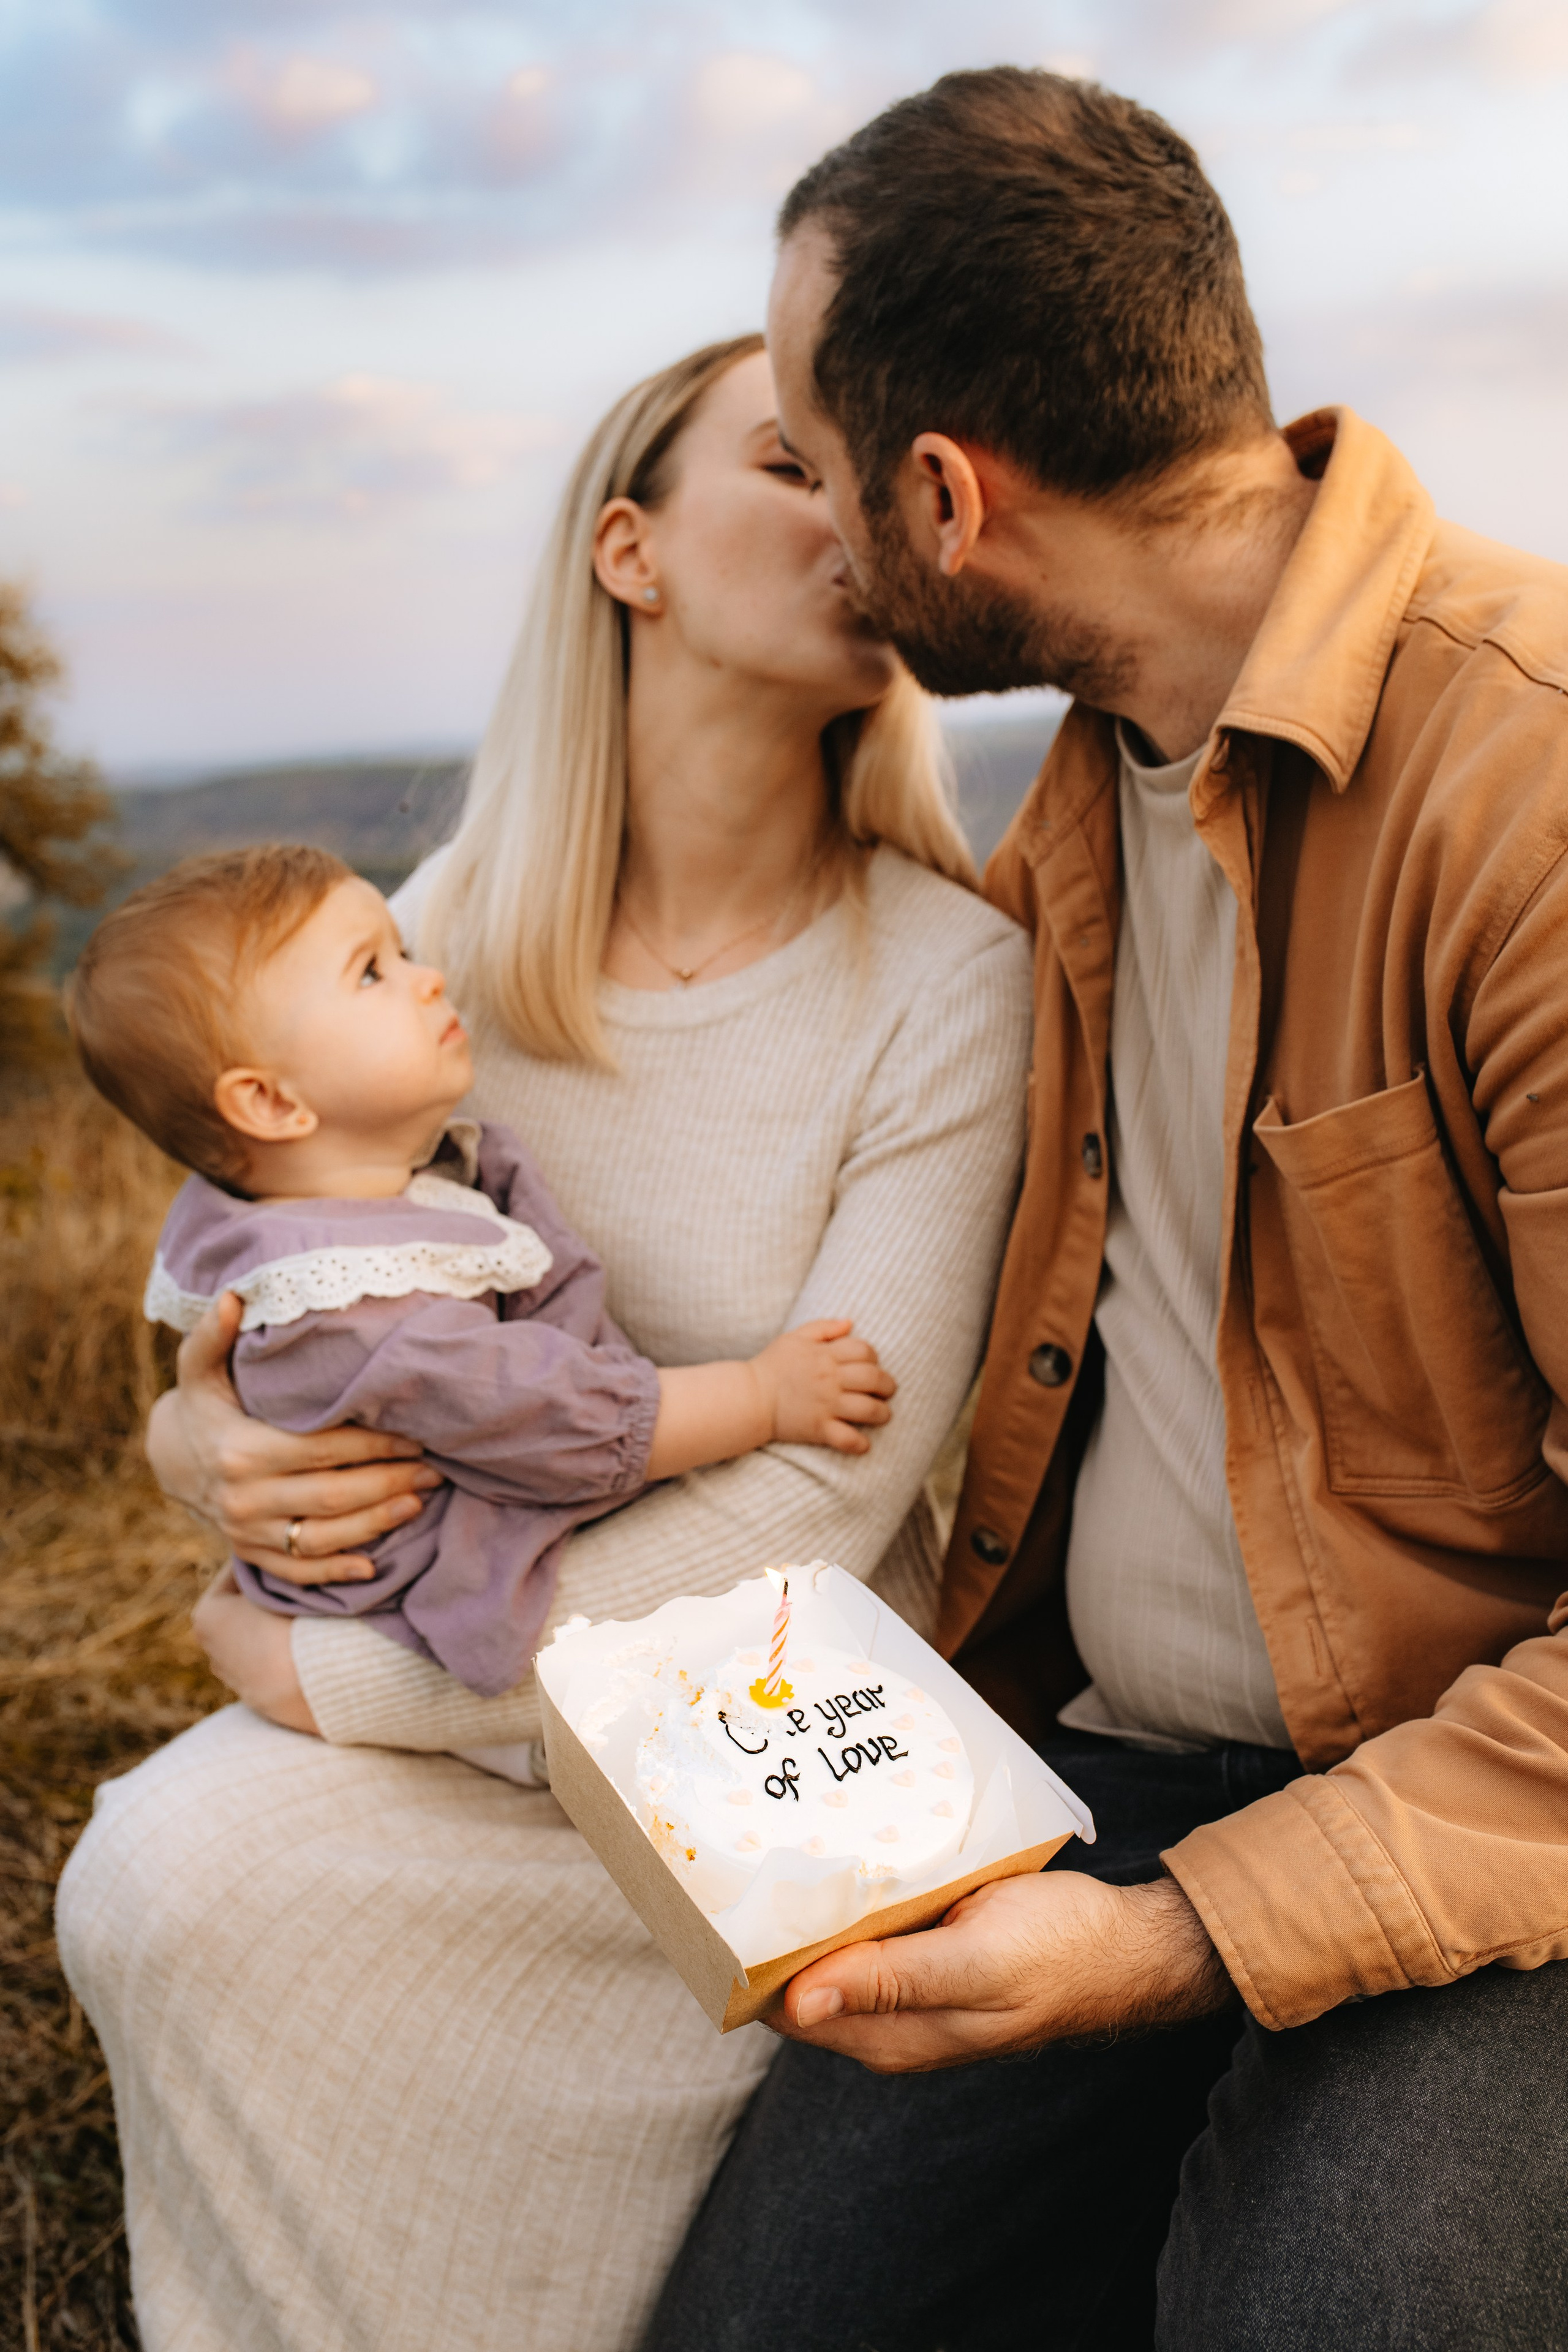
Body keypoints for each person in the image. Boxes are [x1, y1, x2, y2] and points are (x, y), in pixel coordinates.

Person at [640, 70, 1568, 2352]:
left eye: (830, 461)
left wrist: (1177, 1944)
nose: (834, 535)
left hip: (1478, 1811)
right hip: (1098, 1767)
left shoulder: (1525, 789)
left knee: (1339, 2314)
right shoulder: (1062, 822)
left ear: (947, 494)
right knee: (774, 2328)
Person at [55, 332, 1033, 2352]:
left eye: (879, 468)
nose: (857, 506)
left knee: (198, 1850)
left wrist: (329, 1680)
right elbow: (259, 1296)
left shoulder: (953, 977)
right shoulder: (440, 936)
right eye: (789, 462)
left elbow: (829, 1487)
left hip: (759, 1749)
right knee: (153, 1870)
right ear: (630, 552)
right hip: (481, 1715)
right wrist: (194, 1446)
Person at [69, 843, 894, 1695]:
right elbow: (558, 1419)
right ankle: (520, 1754)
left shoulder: (351, 1204)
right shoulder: (362, 1310)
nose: (426, 977)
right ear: (273, 1102)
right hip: (416, 1621)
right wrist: (763, 1396)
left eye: (402, 952)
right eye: (370, 975)